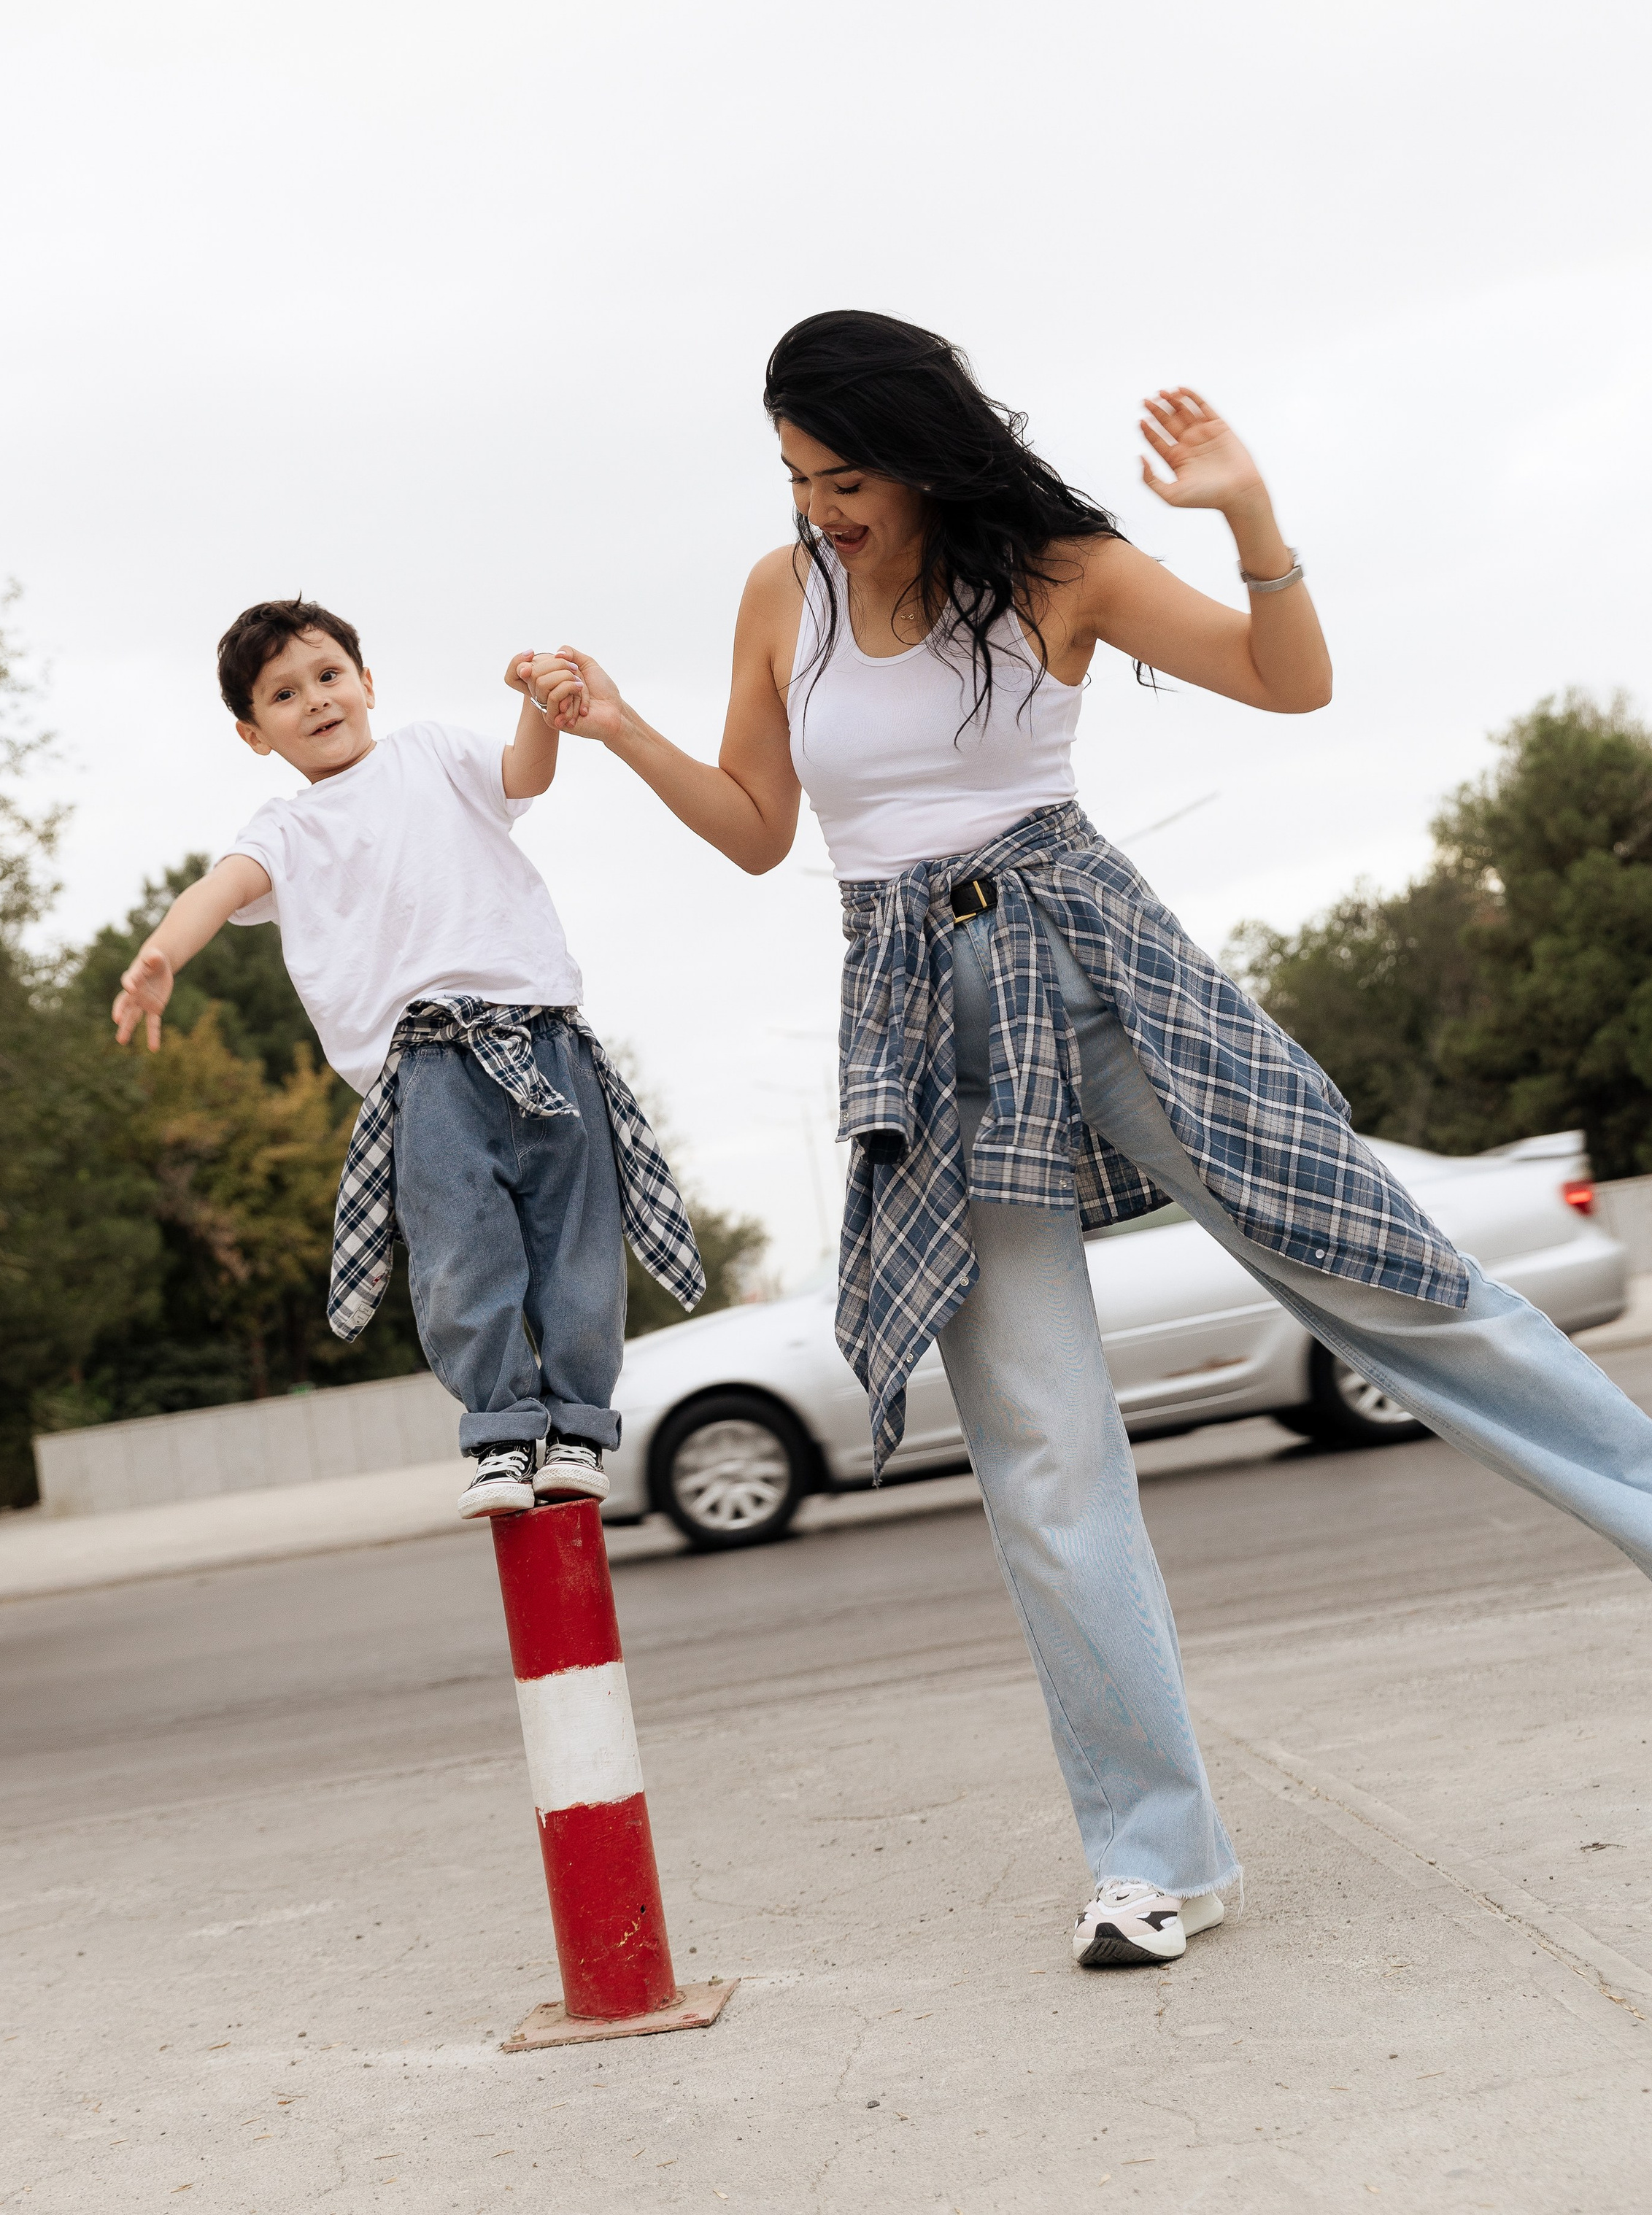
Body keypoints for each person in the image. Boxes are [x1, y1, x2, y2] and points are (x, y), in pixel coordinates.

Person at [522, 309, 1652, 1971]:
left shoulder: (1058, 565)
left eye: (842, 476)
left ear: (919, 452)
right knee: (1040, 1447)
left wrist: (1246, 516)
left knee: (1382, 1273)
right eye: (792, 477)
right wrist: (621, 727)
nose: (817, 507)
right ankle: (1151, 1853)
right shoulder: (782, 594)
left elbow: (1288, 680)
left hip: (1094, 956)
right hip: (910, 1008)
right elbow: (762, 833)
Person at [112, 597, 703, 1520]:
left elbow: (523, 776)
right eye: (282, 694)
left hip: (545, 1036)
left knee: (577, 1246)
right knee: (460, 1257)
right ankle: (504, 1436)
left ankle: (579, 1429)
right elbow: (217, 887)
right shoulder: (286, 829)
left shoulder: (431, 751)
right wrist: (161, 957)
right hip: (425, 1072)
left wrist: (535, 704)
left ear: (366, 681)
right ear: (252, 731)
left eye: (327, 675)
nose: (314, 700)